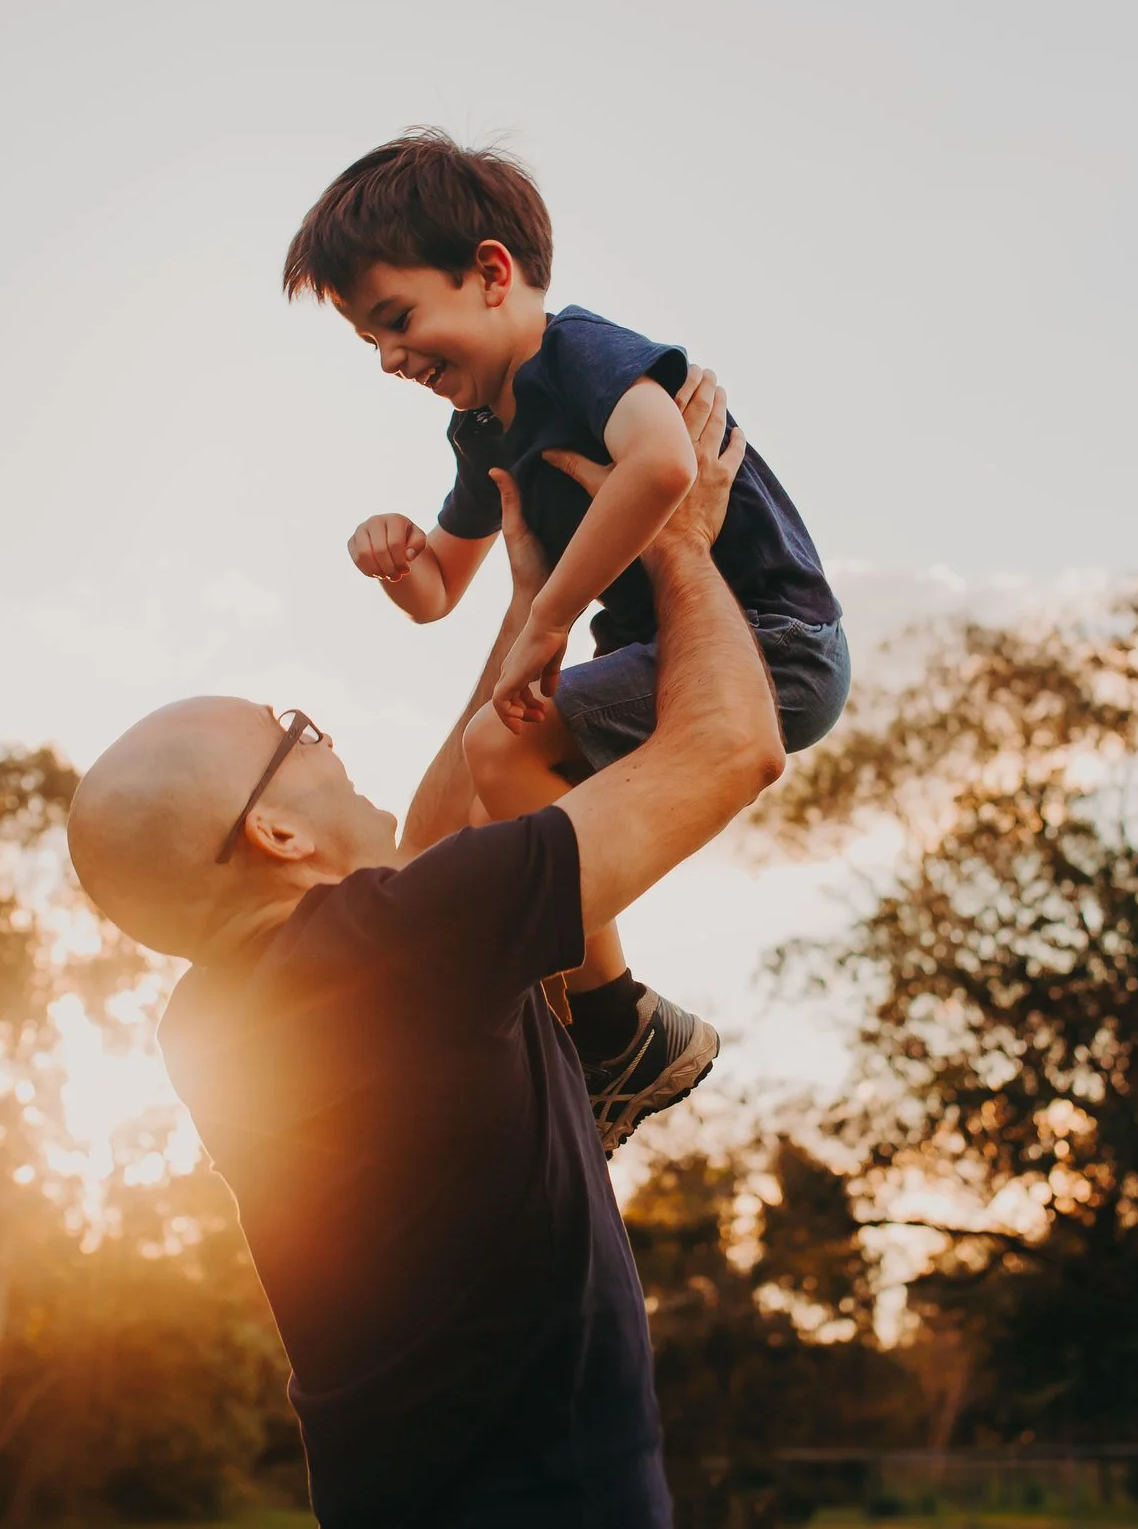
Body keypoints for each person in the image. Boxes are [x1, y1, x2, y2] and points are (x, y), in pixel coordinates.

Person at [66, 368, 780, 1528]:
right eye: (291, 730)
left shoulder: (217, 1018)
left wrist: (529, 604)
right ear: (276, 831)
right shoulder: (389, 951)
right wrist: (681, 544)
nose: (324, 738)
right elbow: (734, 748)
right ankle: (626, 1035)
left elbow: (431, 850)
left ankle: (621, 1034)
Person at [282, 128, 850, 1150]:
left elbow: (663, 465)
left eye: (397, 319)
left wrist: (547, 623)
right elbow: (442, 591)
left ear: (492, 272)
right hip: (661, 660)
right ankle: (586, 1023)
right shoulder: (480, 430)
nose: (391, 358)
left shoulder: (578, 353)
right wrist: (399, 558)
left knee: (500, 746)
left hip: (776, 642)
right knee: (480, 806)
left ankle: (617, 1020)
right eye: (370, 341)